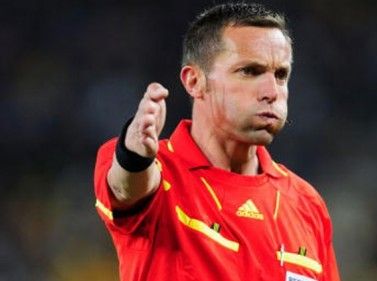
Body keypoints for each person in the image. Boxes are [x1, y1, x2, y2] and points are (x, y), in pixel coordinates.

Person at [94, 3, 340, 281]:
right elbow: (127, 187)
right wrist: (135, 155)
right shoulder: (160, 171)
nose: (272, 91)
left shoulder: (306, 204)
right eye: (250, 71)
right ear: (195, 81)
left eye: (281, 75)